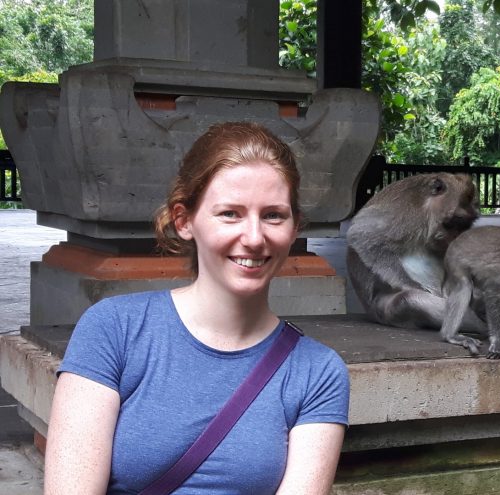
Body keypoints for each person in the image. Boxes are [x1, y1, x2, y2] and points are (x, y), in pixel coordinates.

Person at [44, 122, 350, 494]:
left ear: (294, 226)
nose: (254, 238)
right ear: (184, 221)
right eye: (230, 214)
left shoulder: (317, 372)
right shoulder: (115, 329)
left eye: (273, 215)